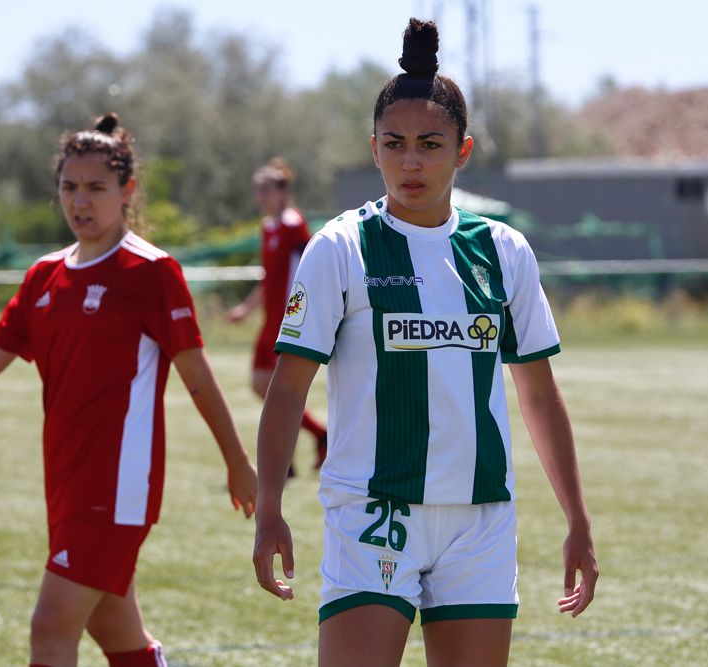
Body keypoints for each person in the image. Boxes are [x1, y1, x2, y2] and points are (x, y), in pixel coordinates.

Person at [252, 18, 598, 667]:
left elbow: (539, 396)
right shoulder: (339, 248)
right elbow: (288, 386)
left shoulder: (504, 251)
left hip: (480, 521)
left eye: (431, 144)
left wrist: (577, 517)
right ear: (374, 147)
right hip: (373, 511)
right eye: (395, 143)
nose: (411, 160)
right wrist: (268, 505)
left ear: (463, 150)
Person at [0, 113, 257, 667]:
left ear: (127, 191)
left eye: (96, 187)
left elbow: (197, 375)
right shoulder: (45, 275)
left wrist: (237, 460)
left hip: (117, 485)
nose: (80, 201)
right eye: (69, 187)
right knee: (115, 629)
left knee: (50, 627)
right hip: (65, 479)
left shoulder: (151, 271)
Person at [228, 158, 327, 471]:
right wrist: (246, 307)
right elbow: (269, 277)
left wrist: (302, 315)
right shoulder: (268, 227)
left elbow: (309, 272)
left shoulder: (293, 226)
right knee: (261, 385)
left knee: (279, 390)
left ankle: (288, 463)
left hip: (286, 321)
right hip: (269, 320)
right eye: (258, 190)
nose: (260, 196)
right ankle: (319, 434)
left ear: (282, 192)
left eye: (265, 190)